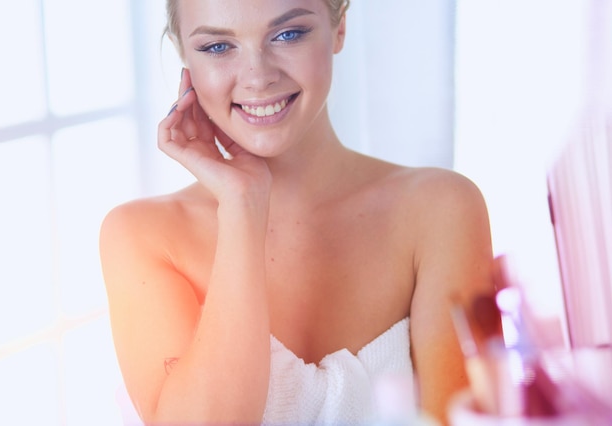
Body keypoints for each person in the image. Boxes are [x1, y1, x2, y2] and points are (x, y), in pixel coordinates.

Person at [99, 0, 495, 424]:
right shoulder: (142, 236)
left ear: (339, 26)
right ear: (183, 55)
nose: (258, 77)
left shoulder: (441, 210)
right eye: (217, 46)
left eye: (287, 34)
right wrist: (242, 207)